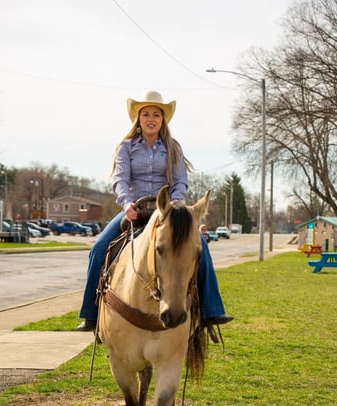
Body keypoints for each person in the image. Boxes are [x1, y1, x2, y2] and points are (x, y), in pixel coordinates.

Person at [75, 91, 233, 332]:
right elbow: (120, 179)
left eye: (156, 115)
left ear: (163, 119)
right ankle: (91, 314)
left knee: (199, 245)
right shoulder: (126, 147)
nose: (151, 118)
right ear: (138, 119)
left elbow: (180, 182)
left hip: (167, 212)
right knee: (98, 249)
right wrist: (127, 204)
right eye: (146, 114)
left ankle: (211, 310)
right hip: (135, 210)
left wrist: (175, 206)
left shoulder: (173, 148)